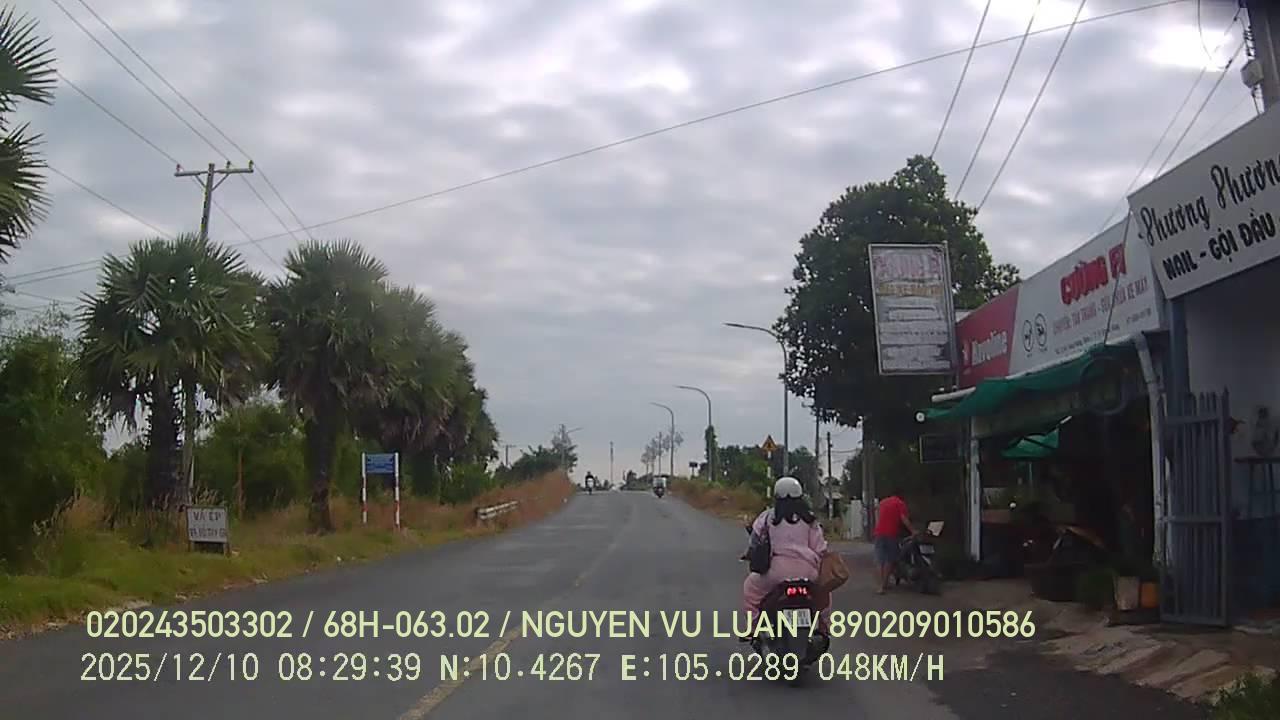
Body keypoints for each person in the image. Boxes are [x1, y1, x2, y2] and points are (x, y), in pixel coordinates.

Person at [741, 477, 830, 632]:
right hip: (808, 572)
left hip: (776, 572)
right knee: (823, 594)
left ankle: (753, 627)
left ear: (776, 496)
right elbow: (820, 548)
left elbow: (755, 541)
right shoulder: (810, 519)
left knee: (750, 588)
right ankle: (824, 625)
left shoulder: (768, 517)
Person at [873, 484, 915, 594]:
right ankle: (884, 584)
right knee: (889, 559)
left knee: (880, 560)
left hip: (879, 533)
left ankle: (880, 586)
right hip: (891, 533)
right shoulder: (900, 503)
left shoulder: (883, 502)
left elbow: (878, 516)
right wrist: (913, 531)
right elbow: (904, 519)